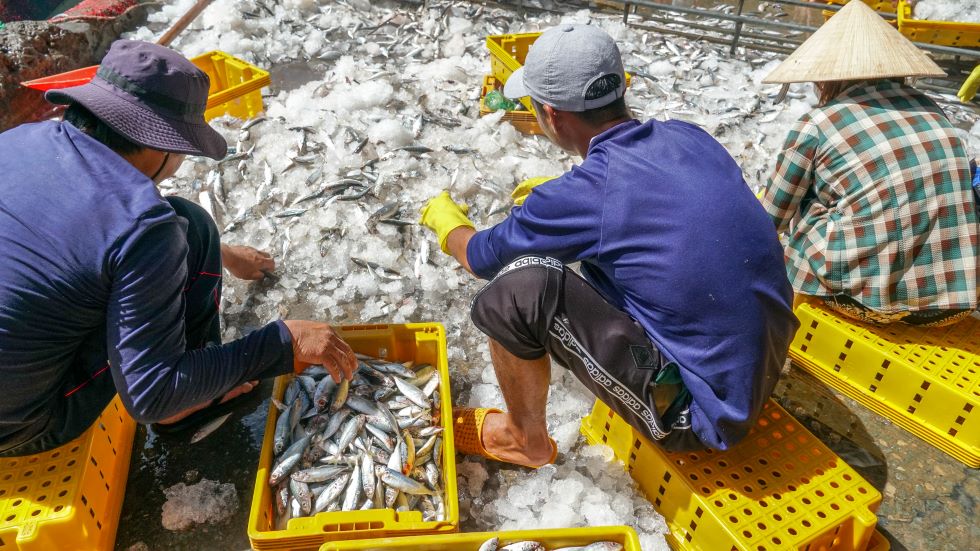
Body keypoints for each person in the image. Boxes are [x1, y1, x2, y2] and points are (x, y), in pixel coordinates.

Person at [420, 24, 798, 466]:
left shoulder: (588, 194)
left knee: (514, 293)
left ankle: (523, 439)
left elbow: (481, 256)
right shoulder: (688, 137)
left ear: (551, 114)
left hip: (701, 410)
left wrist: (448, 225)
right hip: (761, 364)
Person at [0, 40, 356, 457]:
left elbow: (74, 230)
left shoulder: (20, 140)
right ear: (158, 145)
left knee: (192, 224)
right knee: (176, 244)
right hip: (21, 426)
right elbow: (148, 394)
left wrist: (220, 252)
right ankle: (184, 408)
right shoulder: (143, 228)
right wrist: (282, 342)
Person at [761, 1, 979, 326]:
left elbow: (770, 218)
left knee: (804, 205)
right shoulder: (932, 110)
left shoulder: (818, 123)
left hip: (873, 301)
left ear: (825, 80)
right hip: (954, 302)